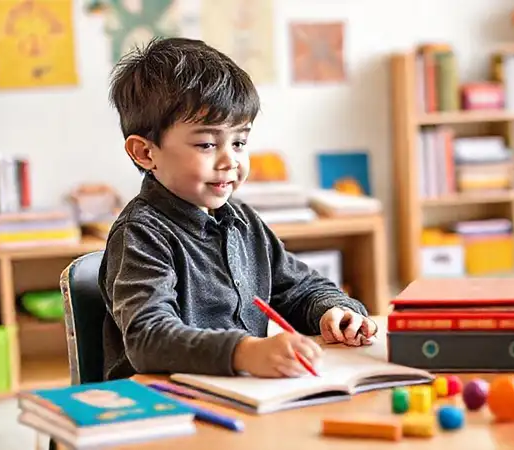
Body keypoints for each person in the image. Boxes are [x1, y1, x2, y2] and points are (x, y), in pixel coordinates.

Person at [98, 37, 377, 381]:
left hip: (237, 396)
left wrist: (334, 310)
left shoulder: (242, 221)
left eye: (239, 142)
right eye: (206, 144)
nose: (230, 160)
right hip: (162, 407)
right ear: (145, 153)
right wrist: (243, 353)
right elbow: (148, 338)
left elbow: (300, 288)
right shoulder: (140, 234)